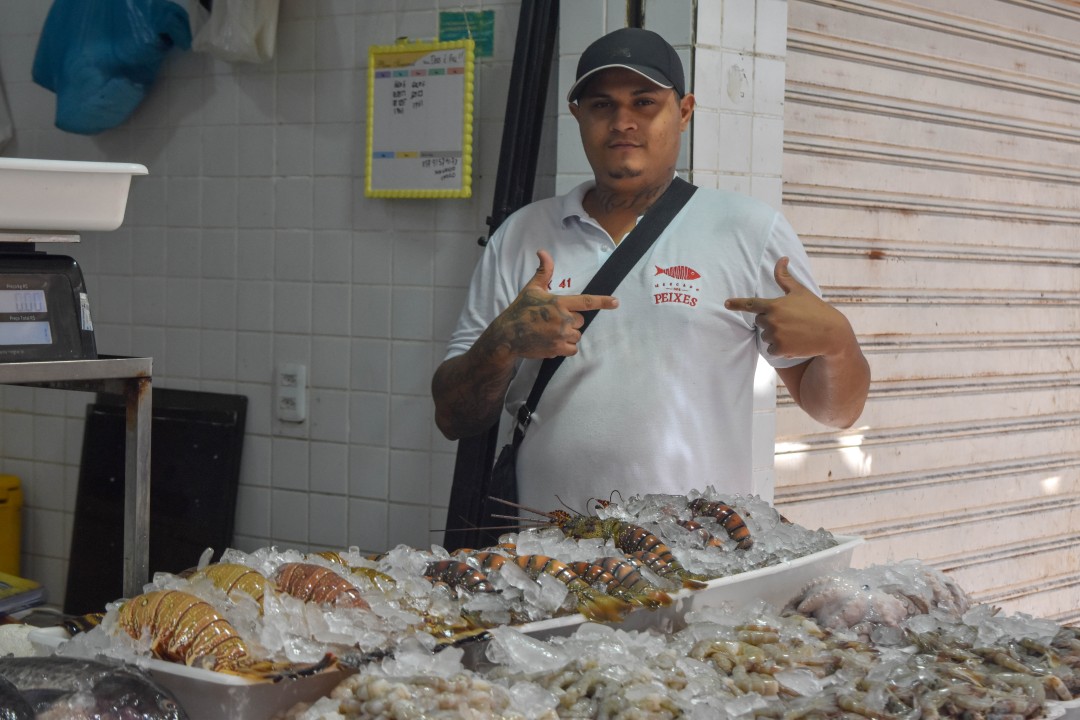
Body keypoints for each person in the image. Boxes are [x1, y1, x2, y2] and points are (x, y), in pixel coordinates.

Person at [432, 27, 870, 516]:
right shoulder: (520, 236)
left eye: (644, 103)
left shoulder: (748, 230)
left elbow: (837, 411)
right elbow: (453, 417)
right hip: (550, 563)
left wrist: (838, 342)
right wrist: (501, 343)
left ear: (683, 112)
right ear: (578, 116)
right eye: (602, 105)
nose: (623, 122)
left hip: (700, 562)